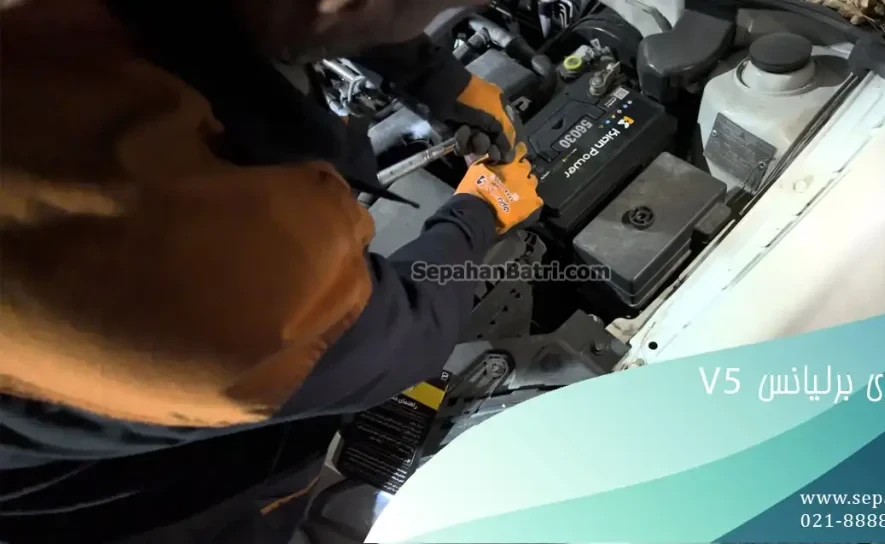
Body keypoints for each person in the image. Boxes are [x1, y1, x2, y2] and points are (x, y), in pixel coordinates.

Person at [0, 0, 543, 542]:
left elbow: (268, 15)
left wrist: (432, 76)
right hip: (110, 498)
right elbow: (403, 335)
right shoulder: (195, 259)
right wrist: (479, 212)